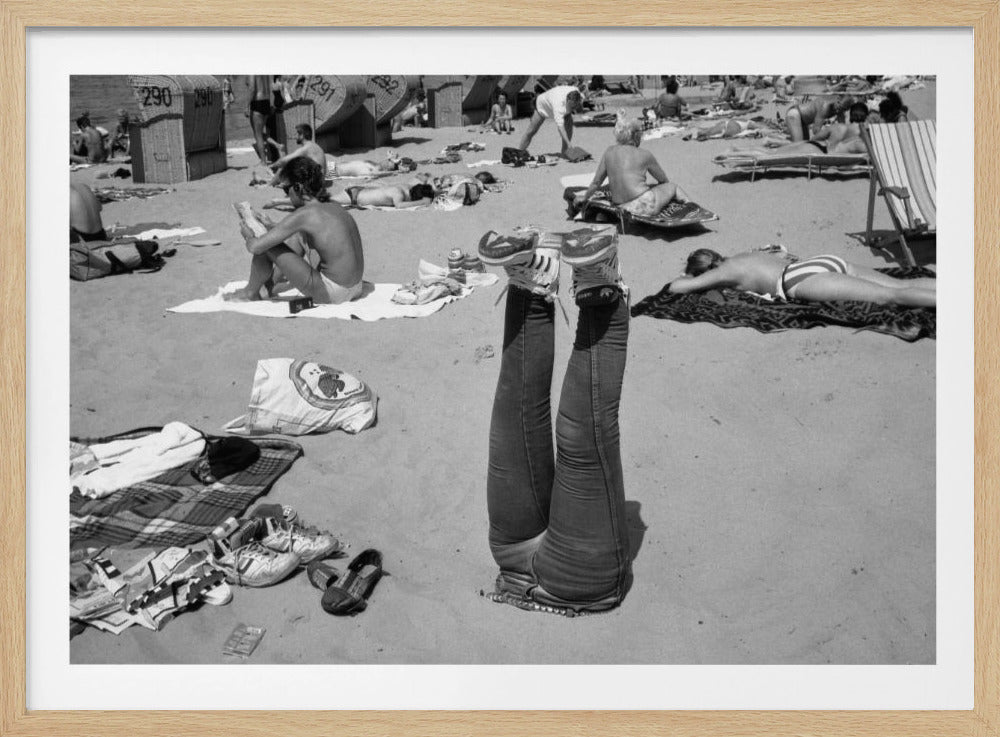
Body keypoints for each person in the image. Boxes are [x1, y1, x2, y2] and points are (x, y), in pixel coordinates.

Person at [477, 223, 632, 616]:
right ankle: (587, 282)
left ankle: (562, 281)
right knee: (564, 427)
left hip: (544, 568)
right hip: (560, 571)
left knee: (526, 417)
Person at [227, 157, 365, 305]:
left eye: (287, 189)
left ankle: (250, 292)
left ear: (298, 187)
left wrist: (248, 235)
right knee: (298, 236)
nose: (287, 195)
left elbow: (255, 247)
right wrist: (271, 226)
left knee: (264, 243)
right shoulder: (335, 207)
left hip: (334, 293)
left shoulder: (305, 214)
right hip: (357, 287)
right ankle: (268, 287)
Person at [668, 247, 936, 307]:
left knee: (890, 297)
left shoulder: (722, 273)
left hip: (797, 280)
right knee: (902, 284)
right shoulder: (741, 255)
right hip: (819, 261)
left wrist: (685, 275)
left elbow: (676, 288)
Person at [572, 113, 692, 219]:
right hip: (644, 206)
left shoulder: (609, 151)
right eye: (640, 134)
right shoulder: (645, 154)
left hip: (621, 207)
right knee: (673, 187)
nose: (641, 137)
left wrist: (586, 197)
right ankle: (691, 208)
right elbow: (663, 180)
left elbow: (596, 182)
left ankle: (607, 215)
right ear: (635, 136)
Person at [517, 85, 585, 155]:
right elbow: (561, 129)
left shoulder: (576, 92)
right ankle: (519, 152)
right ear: (567, 100)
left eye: (574, 106)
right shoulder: (558, 104)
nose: (573, 108)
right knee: (531, 131)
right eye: (571, 106)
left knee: (569, 123)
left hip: (556, 103)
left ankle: (565, 152)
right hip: (542, 107)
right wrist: (569, 143)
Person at [784, 95, 854, 142]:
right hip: (794, 114)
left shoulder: (839, 107)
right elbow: (816, 131)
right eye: (839, 108)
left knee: (804, 144)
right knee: (798, 145)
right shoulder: (825, 107)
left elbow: (842, 127)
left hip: (803, 120)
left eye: (842, 109)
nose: (838, 111)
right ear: (838, 100)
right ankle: (775, 143)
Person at [329, 182, 435, 209]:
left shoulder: (406, 186)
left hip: (360, 191)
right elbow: (399, 205)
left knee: (326, 199)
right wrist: (422, 202)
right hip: (354, 196)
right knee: (324, 201)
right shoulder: (398, 194)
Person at [247, 75, 273, 166]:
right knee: (261, 133)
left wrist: (246, 106)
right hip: (266, 101)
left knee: (258, 134)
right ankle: (276, 146)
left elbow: (252, 89)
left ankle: (263, 161)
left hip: (257, 102)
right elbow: (269, 88)